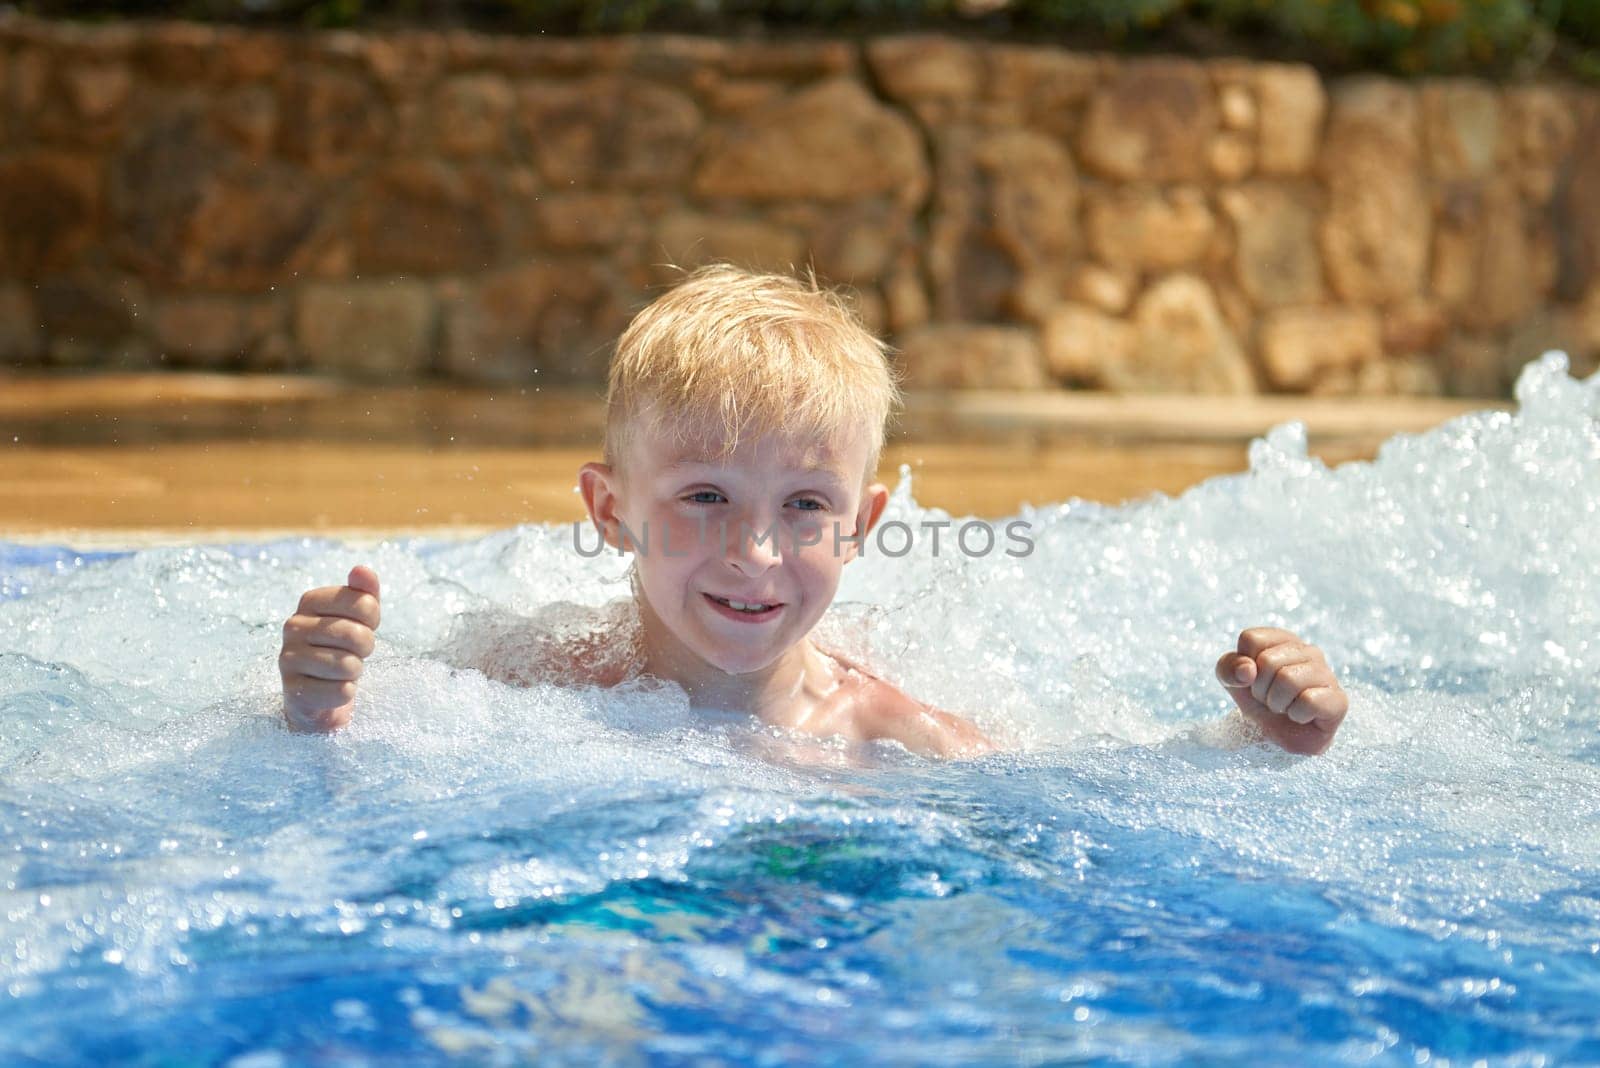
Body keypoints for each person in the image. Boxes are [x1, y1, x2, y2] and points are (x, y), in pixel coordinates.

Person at [278, 266, 1348, 758]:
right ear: (609, 509)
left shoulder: (891, 734)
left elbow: (1098, 797)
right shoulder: (527, 679)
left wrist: (1259, 739)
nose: (755, 552)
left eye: (804, 506)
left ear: (863, 521)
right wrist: (314, 708)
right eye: (703, 497)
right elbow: (355, 750)